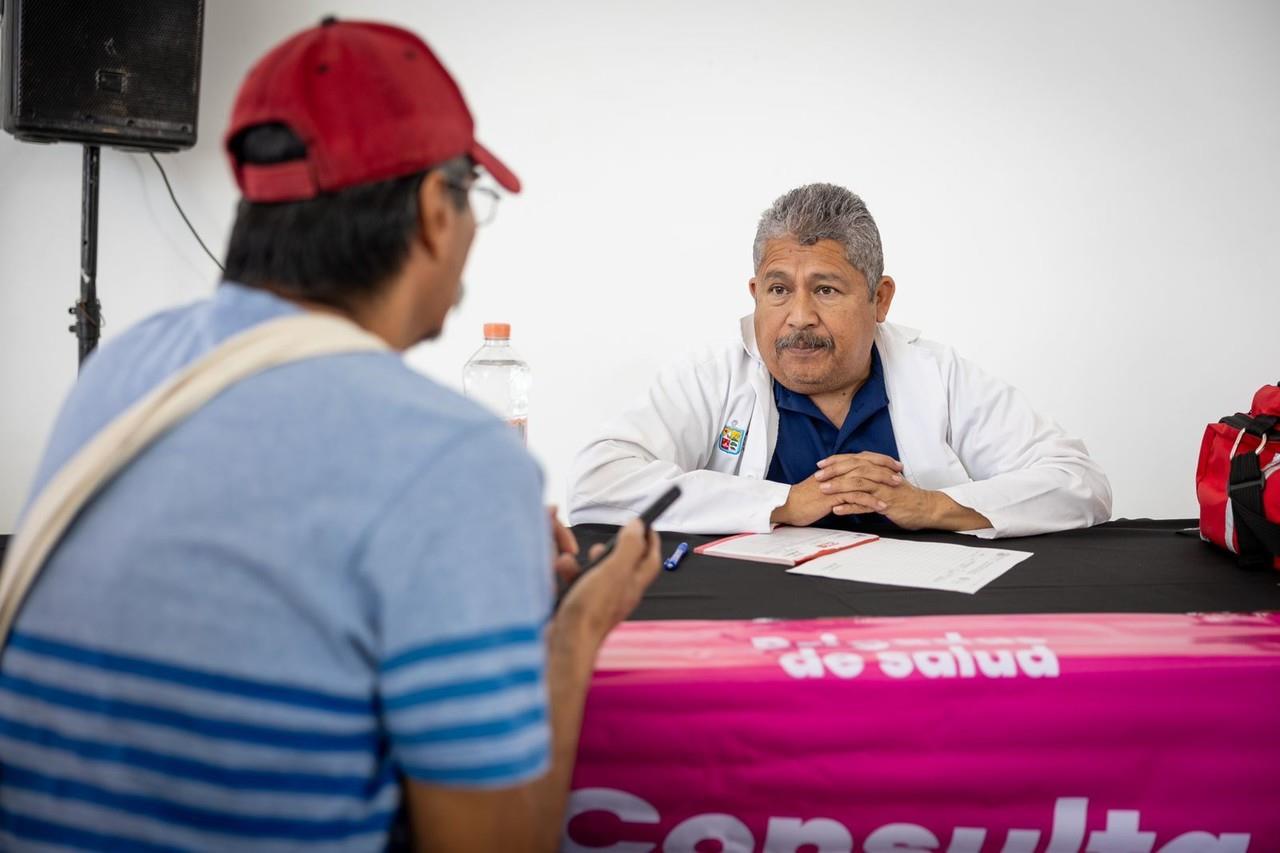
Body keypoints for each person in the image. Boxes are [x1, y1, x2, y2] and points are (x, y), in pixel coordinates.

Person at [0, 18, 660, 852]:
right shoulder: (454, 458)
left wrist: (470, 564)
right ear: (432, 211)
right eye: (473, 202)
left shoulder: (122, 370)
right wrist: (572, 636)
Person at [568, 183, 1111, 538]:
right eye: (779, 290)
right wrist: (784, 502)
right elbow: (598, 481)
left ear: (880, 300)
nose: (798, 317)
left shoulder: (938, 375)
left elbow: (1079, 483)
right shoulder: (713, 374)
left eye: (826, 290)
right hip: (748, 624)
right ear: (756, 292)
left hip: (907, 628)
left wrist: (931, 506)